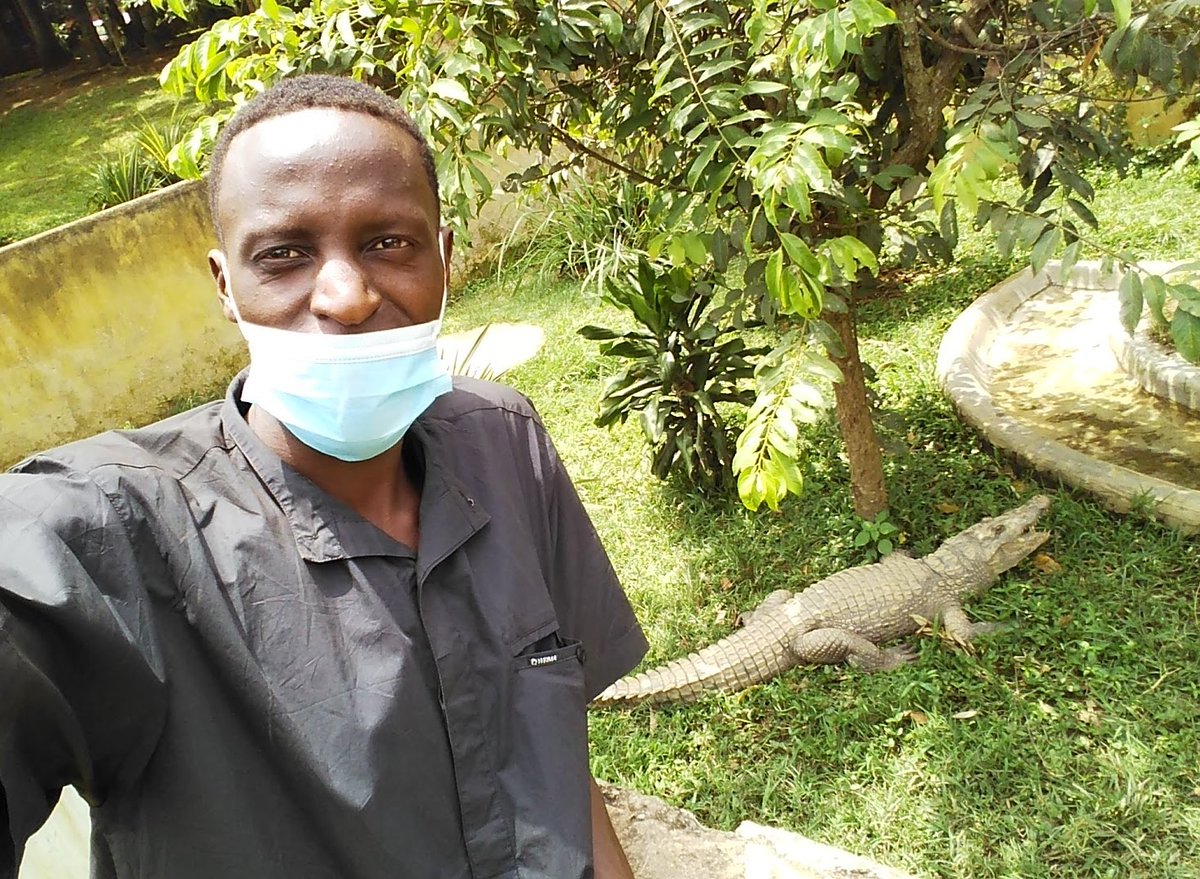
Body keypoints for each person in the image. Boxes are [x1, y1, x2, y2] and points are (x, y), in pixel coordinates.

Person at [0, 74, 647, 879]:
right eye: (284, 254)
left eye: (388, 242)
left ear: (444, 259)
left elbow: (556, 761)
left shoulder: (503, 442)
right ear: (226, 287)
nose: (345, 296)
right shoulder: (109, 533)